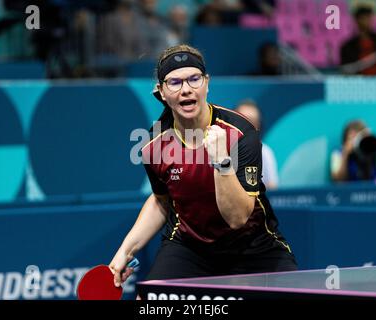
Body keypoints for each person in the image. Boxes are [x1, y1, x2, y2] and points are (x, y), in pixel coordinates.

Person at [109, 44, 297, 288]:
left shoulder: (241, 133)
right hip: (190, 248)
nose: (186, 89)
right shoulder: (153, 144)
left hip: (253, 247)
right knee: (152, 302)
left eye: (194, 79)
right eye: (174, 82)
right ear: (161, 92)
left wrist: (222, 161)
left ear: (207, 83)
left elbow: (238, 217)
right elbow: (161, 201)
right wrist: (126, 249)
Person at [235, 100, 278, 190]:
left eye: (252, 122)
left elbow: (272, 189)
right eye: (243, 120)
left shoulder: (265, 152)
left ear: (258, 126)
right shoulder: (220, 149)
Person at [340, 5, 376, 75]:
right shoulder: (348, 46)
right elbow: (346, 68)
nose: (366, 21)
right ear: (357, 20)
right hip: (359, 83)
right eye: (363, 18)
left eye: (368, 18)